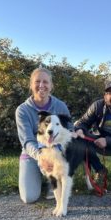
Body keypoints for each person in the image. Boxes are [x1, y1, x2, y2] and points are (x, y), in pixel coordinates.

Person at [15, 67, 73, 203]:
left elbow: (69, 130)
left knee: (59, 162)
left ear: (51, 86)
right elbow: (27, 141)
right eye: (37, 81)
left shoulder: (60, 106)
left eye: (45, 82)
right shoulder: (22, 110)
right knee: (29, 198)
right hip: (32, 154)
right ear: (31, 85)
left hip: (56, 153)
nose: (41, 85)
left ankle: (51, 181)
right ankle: (41, 175)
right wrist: (41, 157)